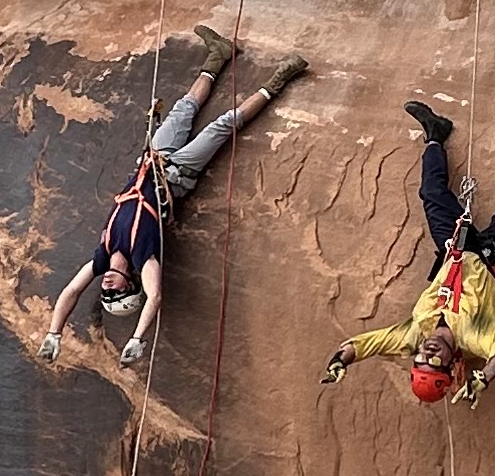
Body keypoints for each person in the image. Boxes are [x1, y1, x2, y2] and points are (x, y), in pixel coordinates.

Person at [42, 29, 308, 365]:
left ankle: (219, 55)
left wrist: (54, 332)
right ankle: (282, 78)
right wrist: (138, 338)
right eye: (116, 291)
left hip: (152, 160)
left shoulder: (102, 255)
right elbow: (154, 297)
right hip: (178, 174)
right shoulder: (144, 258)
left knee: (184, 108)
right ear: (129, 284)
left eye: (105, 292)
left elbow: (71, 292)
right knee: (223, 125)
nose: (107, 286)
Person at [323, 93, 495, 407]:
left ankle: (435, 134)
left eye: (420, 360)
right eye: (434, 363)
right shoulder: (474, 336)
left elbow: (367, 344)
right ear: (452, 364)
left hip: (456, 247)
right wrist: (485, 376)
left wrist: (340, 360)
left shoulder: (413, 335)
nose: (427, 353)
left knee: (431, 193)